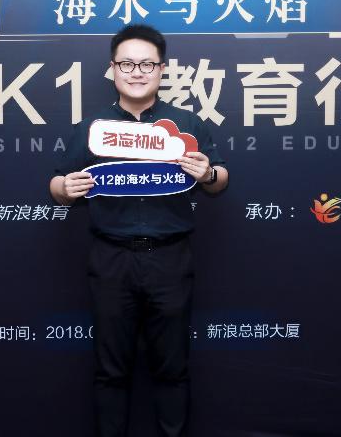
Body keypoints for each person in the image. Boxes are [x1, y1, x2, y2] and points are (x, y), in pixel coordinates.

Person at [49, 24, 228, 437]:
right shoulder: (92, 128)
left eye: (147, 64)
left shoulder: (187, 124)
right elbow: (57, 184)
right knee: (110, 370)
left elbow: (220, 182)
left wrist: (208, 173)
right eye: (127, 64)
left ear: (162, 69)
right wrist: (64, 189)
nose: (137, 72)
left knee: (173, 368)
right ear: (113, 69)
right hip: (111, 258)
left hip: (170, 258)